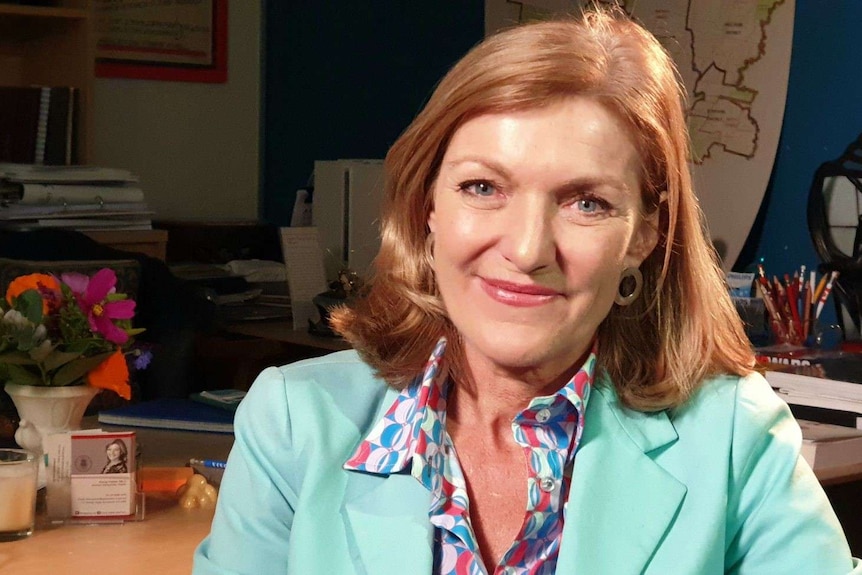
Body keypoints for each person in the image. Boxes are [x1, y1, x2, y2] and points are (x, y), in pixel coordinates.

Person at [194, 6, 860, 574]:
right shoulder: (292, 423)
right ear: (429, 205)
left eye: (587, 203)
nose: (526, 248)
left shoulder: (735, 436)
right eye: (483, 188)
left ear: (644, 234)